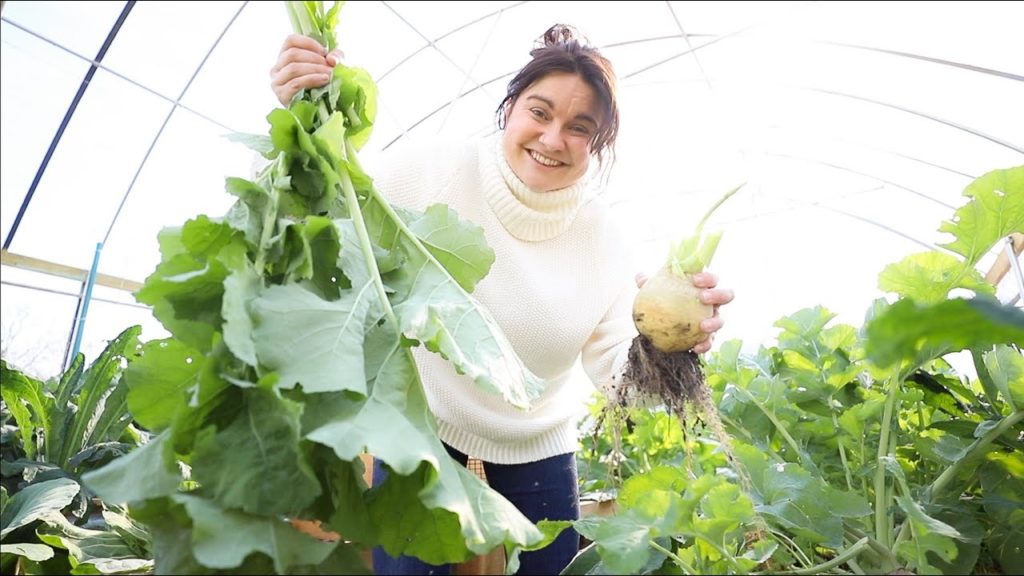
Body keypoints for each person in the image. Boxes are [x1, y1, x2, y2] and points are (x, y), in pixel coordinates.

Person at [269, 24, 735, 575]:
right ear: (510, 108)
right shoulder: (432, 170)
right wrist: (299, 115)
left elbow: (618, 371)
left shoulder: (602, 236)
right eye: (540, 112)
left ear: (599, 143)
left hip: (538, 451)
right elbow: (315, 218)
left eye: (579, 127)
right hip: (422, 433)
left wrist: (670, 348)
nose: (553, 138)